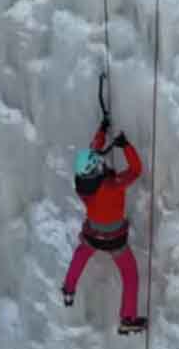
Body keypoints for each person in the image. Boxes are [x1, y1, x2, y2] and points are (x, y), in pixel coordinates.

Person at [62, 117, 147, 334]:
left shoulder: (82, 186)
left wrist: (101, 131)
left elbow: (93, 153)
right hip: (115, 240)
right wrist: (126, 146)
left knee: (80, 255)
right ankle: (127, 318)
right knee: (130, 275)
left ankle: (68, 290)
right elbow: (136, 170)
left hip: (92, 235)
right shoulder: (113, 185)